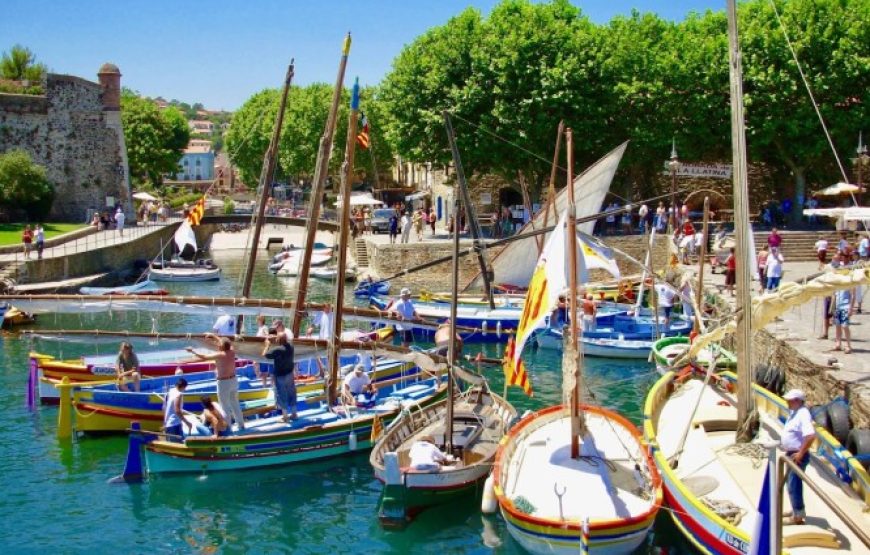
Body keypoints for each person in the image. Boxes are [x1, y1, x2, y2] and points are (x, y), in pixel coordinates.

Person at [187, 335, 245, 431]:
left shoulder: (220, 355)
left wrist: (192, 351)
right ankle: (241, 425)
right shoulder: (232, 352)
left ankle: (228, 428)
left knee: (224, 406)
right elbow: (225, 343)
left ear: (222, 346)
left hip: (224, 382)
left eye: (219, 344)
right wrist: (214, 336)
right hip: (233, 380)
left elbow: (204, 357)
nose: (218, 345)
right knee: (235, 403)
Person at [780, 389, 815, 526]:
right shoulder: (795, 413)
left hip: (797, 455)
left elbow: (811, 436)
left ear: (798, 401)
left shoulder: (803, 415)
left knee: (794, 484)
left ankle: (798, 516)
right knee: (790, 483)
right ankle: (795, 509)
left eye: (790, 400)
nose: (787, 402)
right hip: (791, 454)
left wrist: (800, 453)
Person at [262, 332, 297, 421]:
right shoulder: (291, 347)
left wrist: (267, 345)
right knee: (291, 394)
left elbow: (264, 355)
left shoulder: (278, 350)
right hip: (289, 374)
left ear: (279, 340)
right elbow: (283, 341)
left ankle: (285, 417)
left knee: (281, 395)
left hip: (281, 376)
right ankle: (294, 414)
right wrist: (277, 338)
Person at [833, 286, 856, 353]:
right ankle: (838, 344)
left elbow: (853, 295)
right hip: (837, 306)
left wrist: (851, 308)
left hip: (846, 306)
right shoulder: (837, 282)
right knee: (838, 325)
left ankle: (848, 345)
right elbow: (834, 296)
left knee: (845, 326)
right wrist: (833, 308)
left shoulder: (850, 282)